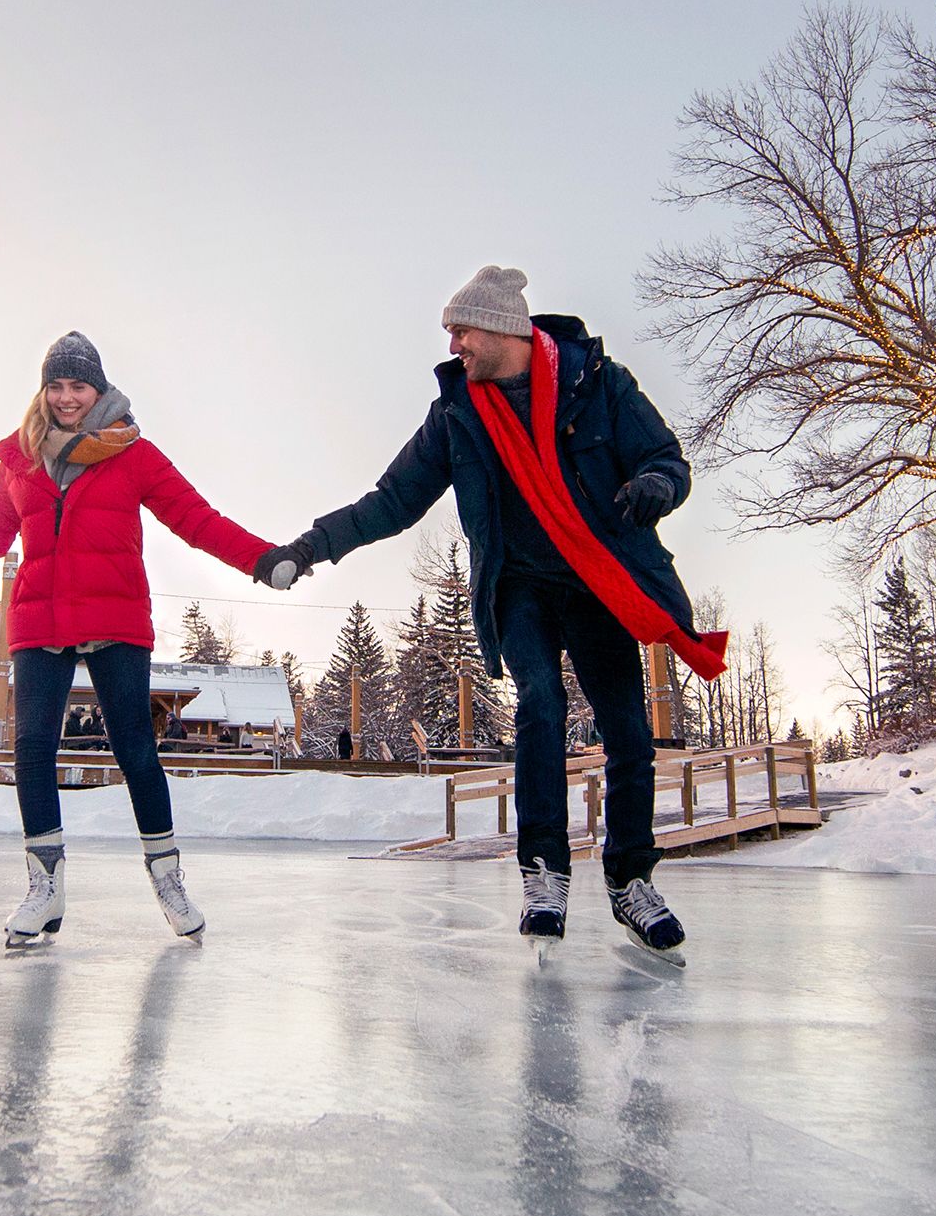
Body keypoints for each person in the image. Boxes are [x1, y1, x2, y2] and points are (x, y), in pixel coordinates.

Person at [257, 266, 721, 950]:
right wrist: (309, 546)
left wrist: (655, 484)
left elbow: (667, 457)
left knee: (628, 728)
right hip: (520, 585)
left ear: (503, 327)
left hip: (598, 578)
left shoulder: (599, 384)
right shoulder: (457, 413)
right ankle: (543, 873)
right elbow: (391, 500)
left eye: (461, 329)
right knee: (540, 702)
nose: (454, 346)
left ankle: (630, 880)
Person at [0, 332, 277, 951]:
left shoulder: (134, 454)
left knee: (135, 751)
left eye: (79, 386)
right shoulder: (20, 459)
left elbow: (196, 519)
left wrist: (262, 560)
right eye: (57, 386)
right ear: (44, 391)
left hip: (115, 617)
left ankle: (169, 878)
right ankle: (45, 886)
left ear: (100, 389)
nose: (67, 398)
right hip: (39, 621)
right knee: (33, 749)